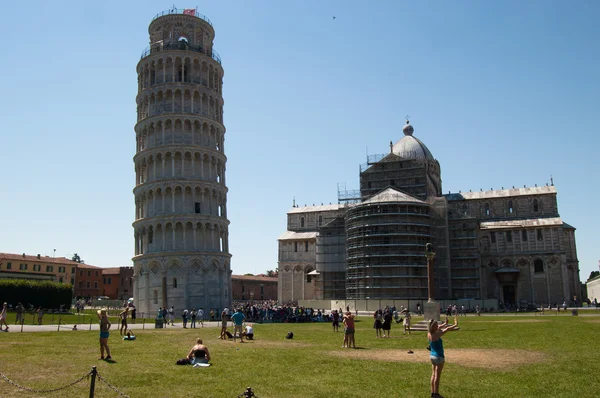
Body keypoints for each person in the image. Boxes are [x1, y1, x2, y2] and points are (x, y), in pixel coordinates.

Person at [428, 317, 459, 398]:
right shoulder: (437, 334)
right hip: (439, 357)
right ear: (434, 326)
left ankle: (432, 393)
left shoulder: (429, 333)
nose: (438, 326)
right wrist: (455, 324)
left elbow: (439, 327)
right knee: (437, 376)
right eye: (436, 325)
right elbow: (447, 329)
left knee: (433, 375)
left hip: (432, 356)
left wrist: (445, 323)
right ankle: (436, 394)